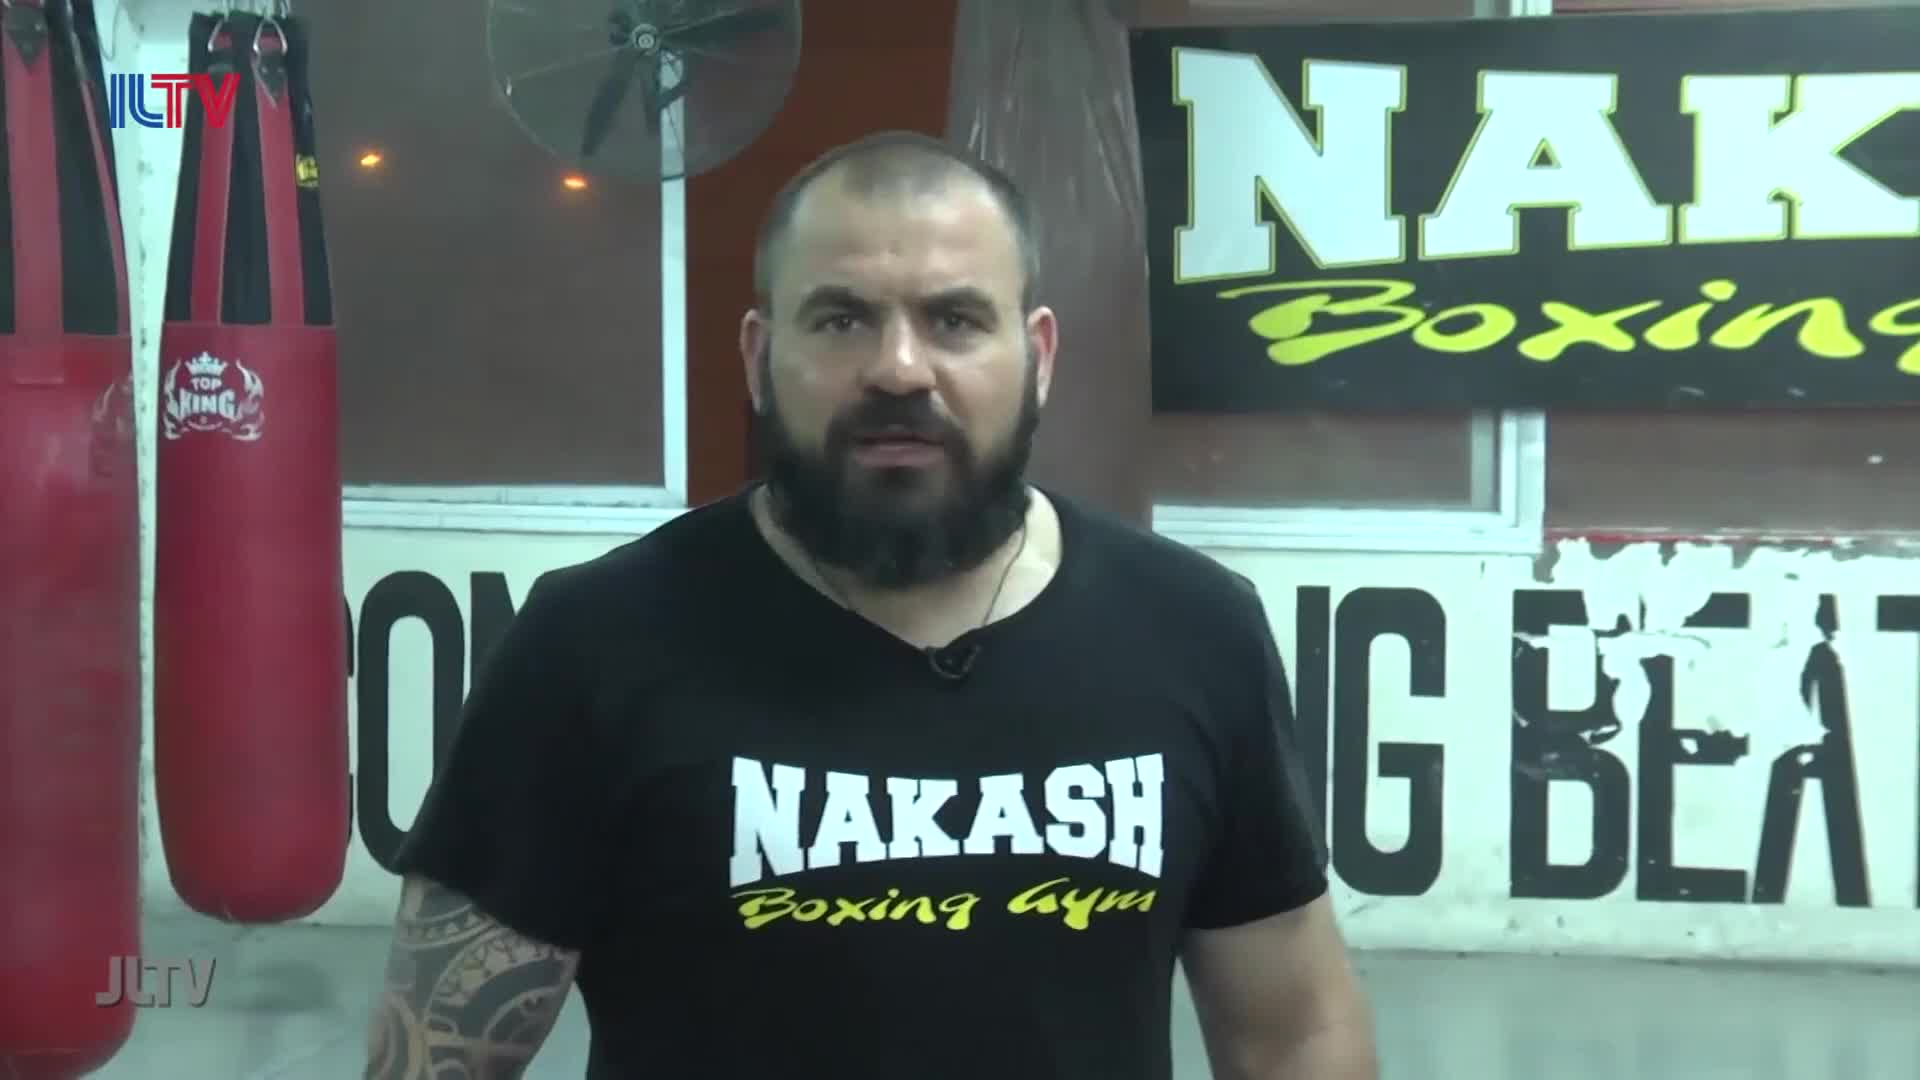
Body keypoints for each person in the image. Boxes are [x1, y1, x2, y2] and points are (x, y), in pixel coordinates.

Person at [362, 130, 1377, 1080]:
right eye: (842, 318)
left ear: (1039, 358)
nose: (898, 368)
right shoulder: (593, 645)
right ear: (760, 358)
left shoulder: (1195, 631)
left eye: (955, 319)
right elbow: (437, 1053)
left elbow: (1295, 1032)